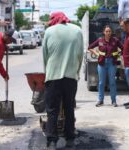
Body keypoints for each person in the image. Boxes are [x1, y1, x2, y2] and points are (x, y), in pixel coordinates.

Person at [43, 12, 83, 148]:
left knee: (52, 110)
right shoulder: (77, 30)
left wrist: (47, 73)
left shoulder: (49, 31)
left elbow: (45, 56)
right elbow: (80, 55)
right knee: (69, 108)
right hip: (71, 77)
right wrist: (76, 73)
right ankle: (70, 138)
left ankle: (52, 141)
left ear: (54, 20)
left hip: (53, 77)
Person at [88, 25, 123, 107]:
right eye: (106, 31)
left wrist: (118, 54)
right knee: (101, 83)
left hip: (112, 63)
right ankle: (100, 100)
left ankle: (113, 101)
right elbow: (90, 47)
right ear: (103, 32)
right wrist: (97, 54)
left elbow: (123, 48)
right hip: (102, 63)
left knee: (112, 83)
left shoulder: (115, 40)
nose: (108, 33)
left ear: (111, 32)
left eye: (109, 31)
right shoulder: (100, 40)